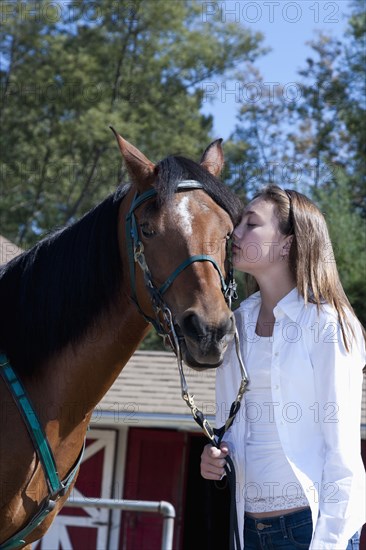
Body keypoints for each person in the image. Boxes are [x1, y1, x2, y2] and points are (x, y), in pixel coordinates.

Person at [200, 185, 366, 549]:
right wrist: (213, 457)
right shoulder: (236, 324)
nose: (236, 232)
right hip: (247, 528)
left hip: (310, 528)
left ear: (288, 243)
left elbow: (342, 452)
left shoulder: (328, 325)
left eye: (251, 224)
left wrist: (330, 543)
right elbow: (229, 427)